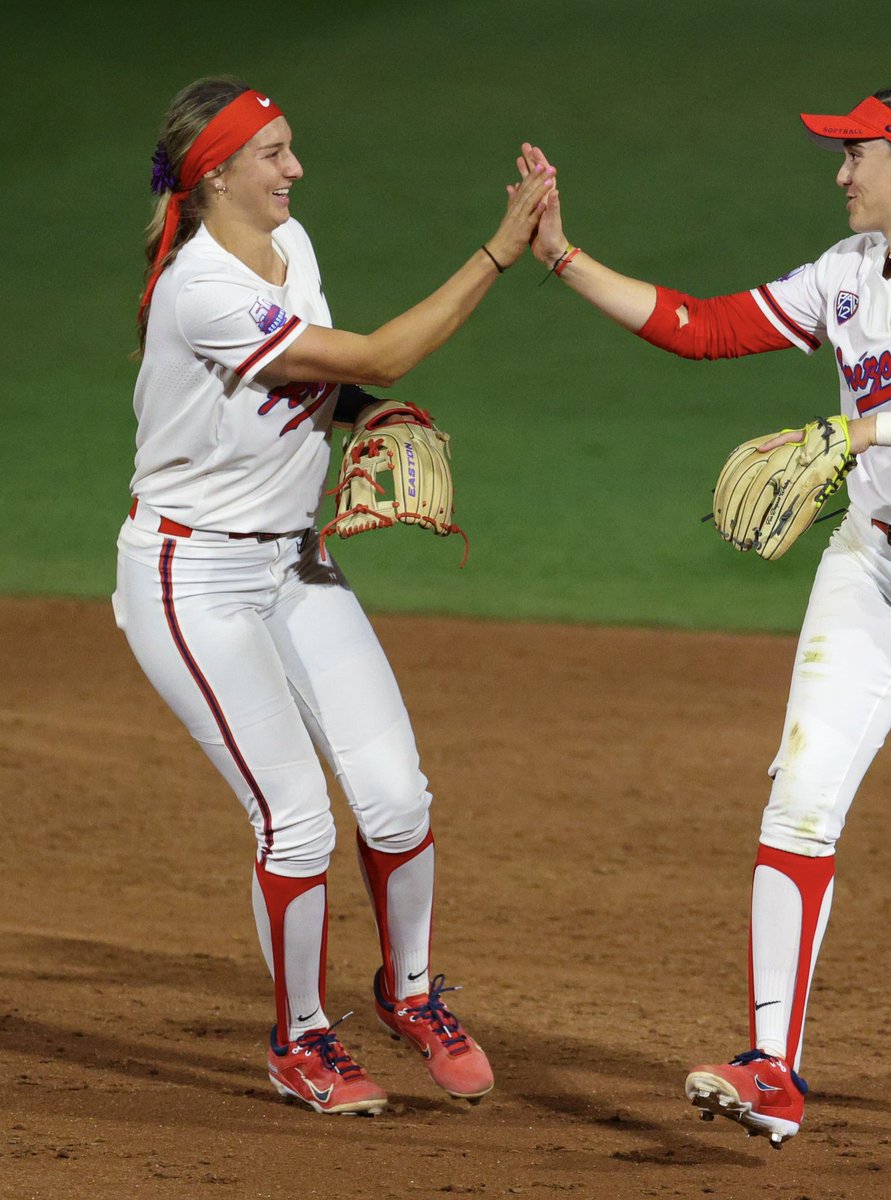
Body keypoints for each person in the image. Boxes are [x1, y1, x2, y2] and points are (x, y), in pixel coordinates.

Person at [520, 86, 891, 1145]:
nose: (840, 173)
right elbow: (702, 329)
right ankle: (771, 1070)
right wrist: (563, 256)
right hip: (871, 574)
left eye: (857, 155)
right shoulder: (844, 275)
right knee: (797, 804)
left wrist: (868, 430)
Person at [114, 76, 555, 1116]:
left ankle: (409, 994)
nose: (295, 169)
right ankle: (299, 1039)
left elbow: (328, 376)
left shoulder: (290, 243)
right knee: (298, 823)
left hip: (292, 563)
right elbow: (374, 348)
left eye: (291, 148)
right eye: (273, 154)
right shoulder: (200, 288)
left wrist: (371, 412)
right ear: (215, 172)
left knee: (398, 794)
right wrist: (500, 247)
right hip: (192, 579)